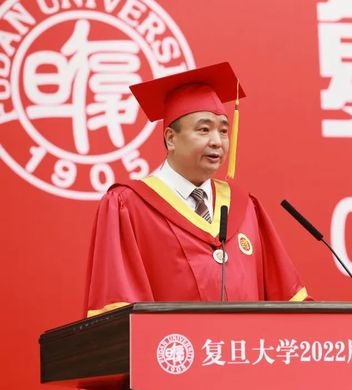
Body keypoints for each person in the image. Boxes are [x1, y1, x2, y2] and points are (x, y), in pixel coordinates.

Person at [83, 62, 310, 319]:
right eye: (204, 130)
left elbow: (289, 303)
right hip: (170, 344)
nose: (217, 141)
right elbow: (118, 307)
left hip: (242, 345)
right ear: (171, 138)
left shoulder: (245, 207)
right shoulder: (129, 206)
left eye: (223, 131)